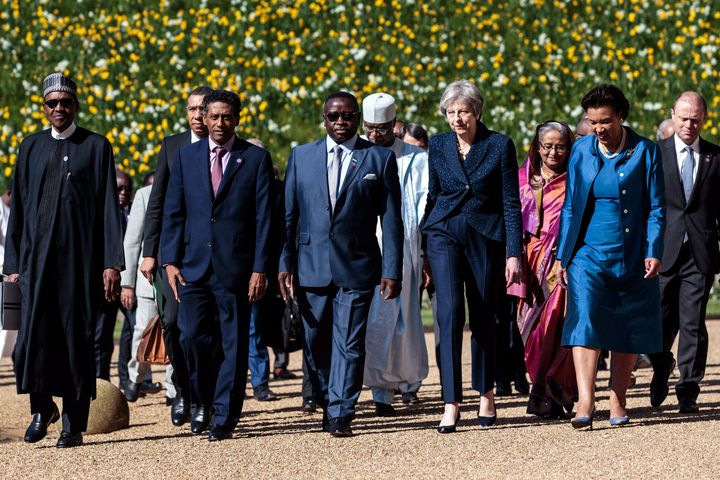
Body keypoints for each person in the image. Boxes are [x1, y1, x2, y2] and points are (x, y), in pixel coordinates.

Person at [4, 72, 124, 448]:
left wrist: (111, 262)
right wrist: (12, 264)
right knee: (31, 342)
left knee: (75, 340)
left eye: (65, 102)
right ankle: (42, 409)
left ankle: (73, 424)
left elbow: (108, 206)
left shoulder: (96, 146)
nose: (59, 108)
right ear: (44, 107)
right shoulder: (30, 147)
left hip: (80, 264)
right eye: (52, 103)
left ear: (75, 105)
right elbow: (19, 211)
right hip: (34, 264)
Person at [279, 91, 403, 437]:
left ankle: (341, 411)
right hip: (310, 265)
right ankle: (322, 398)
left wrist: (392, 270)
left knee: (349, 342)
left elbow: (393, 220)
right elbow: (289, 217)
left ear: (357, 120)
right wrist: (284, 262)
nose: (340, 122)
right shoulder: (301, 157)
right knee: (316, 341)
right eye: (334, 116)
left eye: (347, 116)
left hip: (358, 267)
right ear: (324, 118)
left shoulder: (377, 159)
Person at [162, 89, 274, 441]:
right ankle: (202, 401)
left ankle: (224, 417)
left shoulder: (255, 159)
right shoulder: (186, 157)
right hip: (193, 267)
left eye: (227, 116)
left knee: (233, 344)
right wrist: (169, 259)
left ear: (237, 119)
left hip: (236, 269)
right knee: (190, 336)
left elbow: (265, 219)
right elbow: (174, 211)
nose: (220, 123)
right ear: (204, 119)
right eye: (214, 116)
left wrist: (260, 269)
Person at [557, 84, 665, 429]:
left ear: (620, 116)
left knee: (627, 321)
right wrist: (564, 255)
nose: (598, 129)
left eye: (604, 121)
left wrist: (653, 250)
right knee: (584, 317)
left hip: (632, 252)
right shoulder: (580, 151)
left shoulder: (646, 151)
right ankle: (586, 400)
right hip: (587, 252)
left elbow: (657, 208)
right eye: (592, 122)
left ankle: (618, 396)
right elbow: (571, 206)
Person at [421, 80, 522, 433]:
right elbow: (433, 194)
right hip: (443, 231)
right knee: (448, 314)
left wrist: (514, 253)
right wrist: (422, 249)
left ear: (477, 111)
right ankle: (451, 402)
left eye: (463, 111)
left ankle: (486, 392)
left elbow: (511, 201)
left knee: (485, 315)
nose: (456, 119)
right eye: (450, 113)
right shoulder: (437, 145)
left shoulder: (499, 145)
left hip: (486, 236)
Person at [140, 85, 212, 426]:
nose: (197, 116)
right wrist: (149, 252)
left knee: (200, 330)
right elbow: (157, 204)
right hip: (171, 254)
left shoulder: (224, 148)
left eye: (202, 109)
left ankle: (204, 396)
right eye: (191, 110)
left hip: (209, 255)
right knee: (172, 323)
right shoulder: (172, 146)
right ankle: (182, 390)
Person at [649, 92, 720, 414]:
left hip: (700, 254)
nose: (689, 124)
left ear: (704, 118)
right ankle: (662, 364)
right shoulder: (654, 154)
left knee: (693, 323)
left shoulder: (715, 157)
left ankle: (688, 388)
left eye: (695, 119)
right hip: (662, 252)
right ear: (673, 116)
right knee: (657, 325)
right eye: (683, 118)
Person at [361, 93, 429, 415]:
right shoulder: (358, 153)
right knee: (375, 320)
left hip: (405, 250)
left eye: (382, 128)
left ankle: (406, 383)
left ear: (394, 126)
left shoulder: (415, 158)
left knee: (405, 319)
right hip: (366, 248)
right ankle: (379, 389)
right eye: (370, 128)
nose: (375, 135)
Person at [508, 120, 576, 419]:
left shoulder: (576, 178)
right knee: (531, 328)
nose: (553, 152)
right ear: (537, 147)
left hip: (562, 264)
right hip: (530, 264)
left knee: (559, 327)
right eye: (547, 146)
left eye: (560, 146)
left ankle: (550, 392)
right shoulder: (522, 177)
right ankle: (539, 387)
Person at [119, 172, 170, 402]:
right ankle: (135, 378)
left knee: (176, 336)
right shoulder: (143, 196)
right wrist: (127, 284)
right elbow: (132, 242)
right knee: (142, 334)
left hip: (177, 279)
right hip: (147, 280)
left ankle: (174, 390)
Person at [244, 137, 279, 402]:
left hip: (266, 268)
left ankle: (260, 382)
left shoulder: (277, 189)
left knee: (257, 327)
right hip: (236, 267)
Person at [0, 184, 15, 358]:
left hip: (9, 272)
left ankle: (7, 357)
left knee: (10, 321)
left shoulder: (10, 211)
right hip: (3, 269)